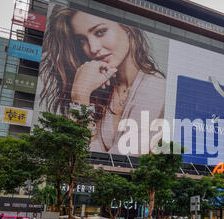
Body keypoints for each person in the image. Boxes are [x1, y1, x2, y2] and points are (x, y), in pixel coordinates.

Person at [38, 5, 167, 154]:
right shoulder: (100, 90)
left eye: (100, 32)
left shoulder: (155, 88)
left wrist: (80, 96)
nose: (92, 48)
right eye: (82, 40)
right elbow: (71, 155)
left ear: (127, 27)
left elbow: (111, 165)